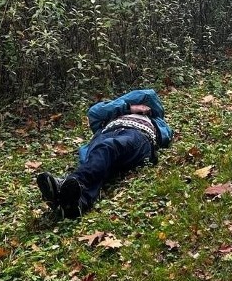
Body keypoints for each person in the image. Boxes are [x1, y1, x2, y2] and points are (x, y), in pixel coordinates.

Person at [36, 89, 173, 218]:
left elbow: (148, 94)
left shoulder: (156, 120)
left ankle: (68, 183)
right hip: (106, 134)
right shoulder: (114, 114)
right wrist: (128, 107)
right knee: (102, 159)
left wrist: (145, 111)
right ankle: (75, 204)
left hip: (136, 135)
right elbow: (94, 111)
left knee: (107, 148)